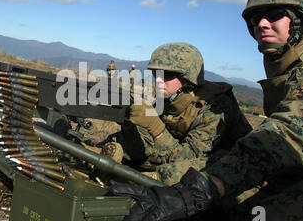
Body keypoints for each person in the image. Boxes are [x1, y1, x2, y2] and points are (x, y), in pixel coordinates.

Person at [109, 0, 303, 221]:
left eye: (274, 14)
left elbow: (289, 135)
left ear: (302, 19)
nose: (262, 24)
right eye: (255, 19)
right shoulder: (288, 67)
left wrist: (199, 188)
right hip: (288, 174)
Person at [104, 42, 252, 185]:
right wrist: (129, 120)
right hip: (179, 150)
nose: (159, 80)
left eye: (167, 75)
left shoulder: (214, 106)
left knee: (200, 167)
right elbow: (153, 134)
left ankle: (145, 182)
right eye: (156, 73)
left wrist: (154, 126)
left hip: (228, 168)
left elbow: (190, 158)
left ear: (187, 78)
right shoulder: (170, 96)